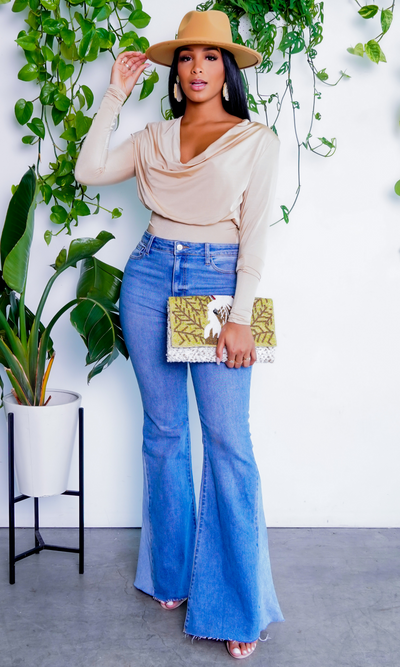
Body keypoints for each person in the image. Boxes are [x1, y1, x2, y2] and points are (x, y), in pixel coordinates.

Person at [75, 9, 284, 660]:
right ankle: (169, 574)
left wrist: (242, 315)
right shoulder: (153, 136)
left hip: (215, 281)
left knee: (227, 442)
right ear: (175, 71)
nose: (197, 67)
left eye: (211, 57)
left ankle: (237, 605)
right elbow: (87, 170)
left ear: (228, 70)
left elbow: (255, 234)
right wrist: (114, 94)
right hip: (147, 274)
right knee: (164, 432)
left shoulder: (255, 140)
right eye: (187, 56)